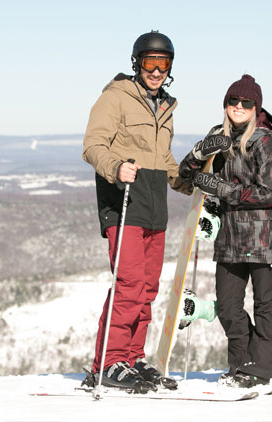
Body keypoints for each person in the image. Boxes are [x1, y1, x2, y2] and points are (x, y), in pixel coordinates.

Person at [81, 31, 192, 393]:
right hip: (123, 203)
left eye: (164, 64)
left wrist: (193, 183)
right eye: (150, 62)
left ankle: (130, 357)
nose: (157, 71)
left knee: (146, 289)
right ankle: (108, 362)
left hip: (153, 206)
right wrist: (115, 167)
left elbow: (166, 163)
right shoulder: (116, 98)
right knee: (128, 285)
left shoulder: (164, 107)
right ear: (137, 62)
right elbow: (93, 145)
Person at [180, 74, 272, 388]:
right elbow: (186, 176)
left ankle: (258, 368)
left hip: (263, 235)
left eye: (246, 102)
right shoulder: (218, 135)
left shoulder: (264, 140)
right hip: (229, 235)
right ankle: (241, 363)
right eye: (233, 101)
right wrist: (200, 153)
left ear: (256, 107)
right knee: (227, 307)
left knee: (264, 303)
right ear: (225, 104)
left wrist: (223, 189)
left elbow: (268, 193)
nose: (238, 107)